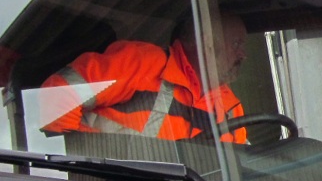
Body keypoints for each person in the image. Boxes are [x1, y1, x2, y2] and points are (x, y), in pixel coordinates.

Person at [40, 13, 248, 143]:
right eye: (237, 44)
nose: (243, 55)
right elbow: (59, 94)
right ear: (207, 43)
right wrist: (90, 158)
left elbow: (237, 177)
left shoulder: (231, 108)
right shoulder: (142, 62)